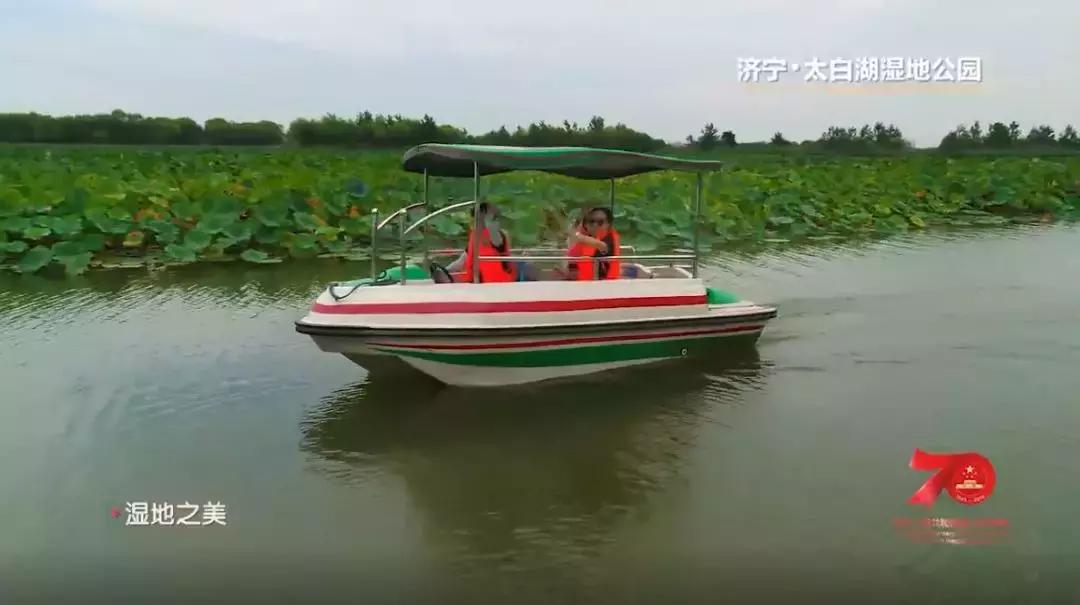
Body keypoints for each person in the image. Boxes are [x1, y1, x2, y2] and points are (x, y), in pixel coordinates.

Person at [446, 201, 519, 283]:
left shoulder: (497, 234)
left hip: (499, 284)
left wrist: (488, 219)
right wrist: (445, 270)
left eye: (479, 217)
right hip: (480, 283)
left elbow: (497, 241)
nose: (475, 222)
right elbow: (462, 261)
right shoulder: (475, 236)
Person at [563, 205, 621, 280]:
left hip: (606, 285)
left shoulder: (610, 238)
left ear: (608, 224)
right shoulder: (583, 240)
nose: (595, 225)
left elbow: (601, 245)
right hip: (582, 285)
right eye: (591, 222)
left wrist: (575, 234)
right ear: (586, 225)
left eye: (600, 222)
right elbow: (572, 264)